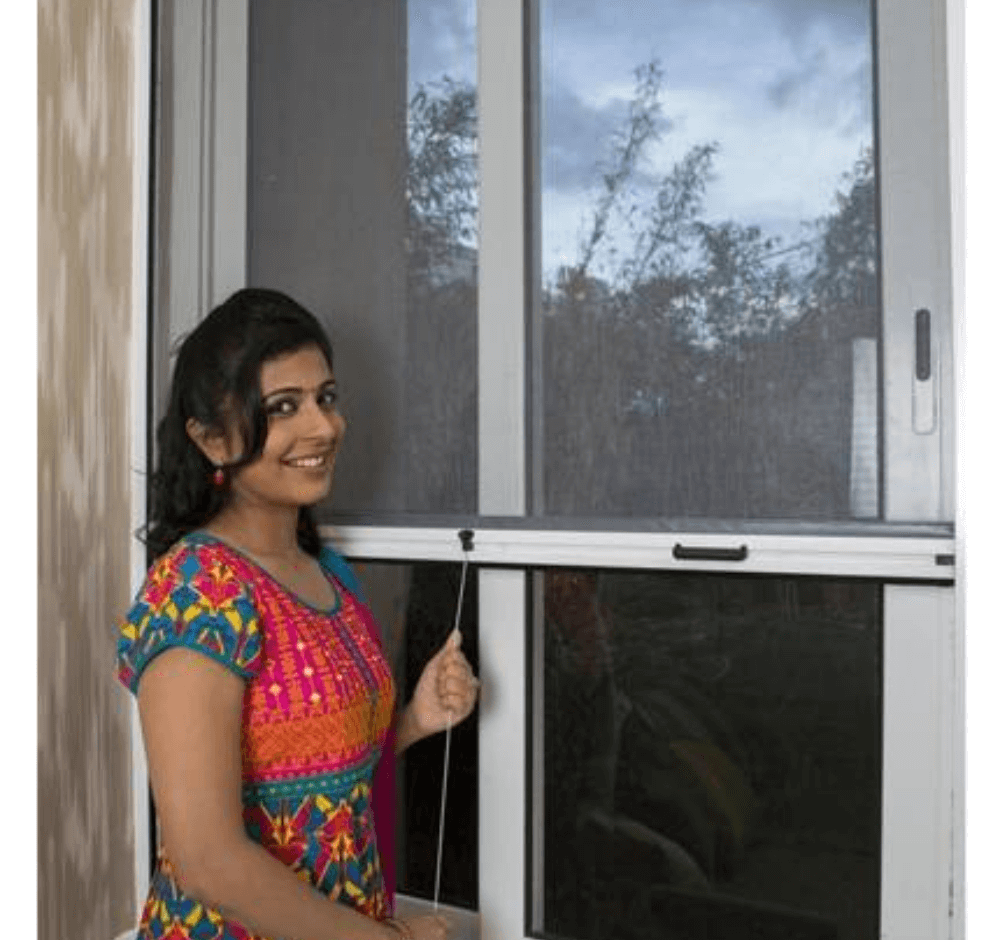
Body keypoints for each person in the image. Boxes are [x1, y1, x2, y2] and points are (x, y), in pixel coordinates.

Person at [116, 288, 479, 940]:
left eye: (326, 398)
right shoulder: (198, 593)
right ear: (211, 439)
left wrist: (415, 721)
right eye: (284, 407)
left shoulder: (327, 572)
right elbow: (208, 863)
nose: (324, 427)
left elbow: (323, 777)